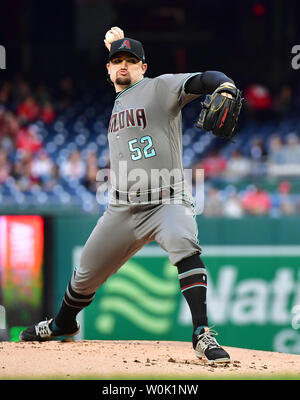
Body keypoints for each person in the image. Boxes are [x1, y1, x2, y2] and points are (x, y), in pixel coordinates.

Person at [20, 26, 241, 364]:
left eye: (131, 61)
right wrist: (117, 46)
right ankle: (63, 323)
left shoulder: (158, 87)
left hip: (167, 200)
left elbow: (204, 79)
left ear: (144, 67)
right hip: (122, 207)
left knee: (184, 244)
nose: (123, 65)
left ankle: (201, 334)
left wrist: (224, 84)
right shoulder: (120, 97)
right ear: (108, 70)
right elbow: (122, 69)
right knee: (84, 275)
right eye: (116, 61)